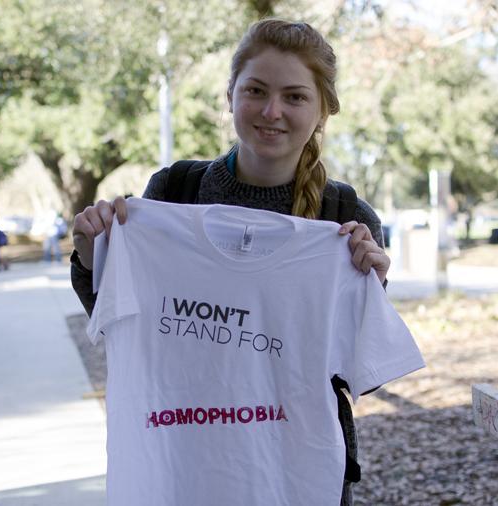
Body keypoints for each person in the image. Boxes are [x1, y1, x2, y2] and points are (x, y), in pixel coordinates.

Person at [71, 19, 399, 505]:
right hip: (181, 459)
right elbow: (122, 314)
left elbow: (356, 364)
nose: (272, 111)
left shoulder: (345, 219)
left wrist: (375, 286)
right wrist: (90, 252)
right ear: (230, 95)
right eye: (256, 91)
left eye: (294, 96)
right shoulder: (172, 193)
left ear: (323, 110)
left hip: (295, 469)